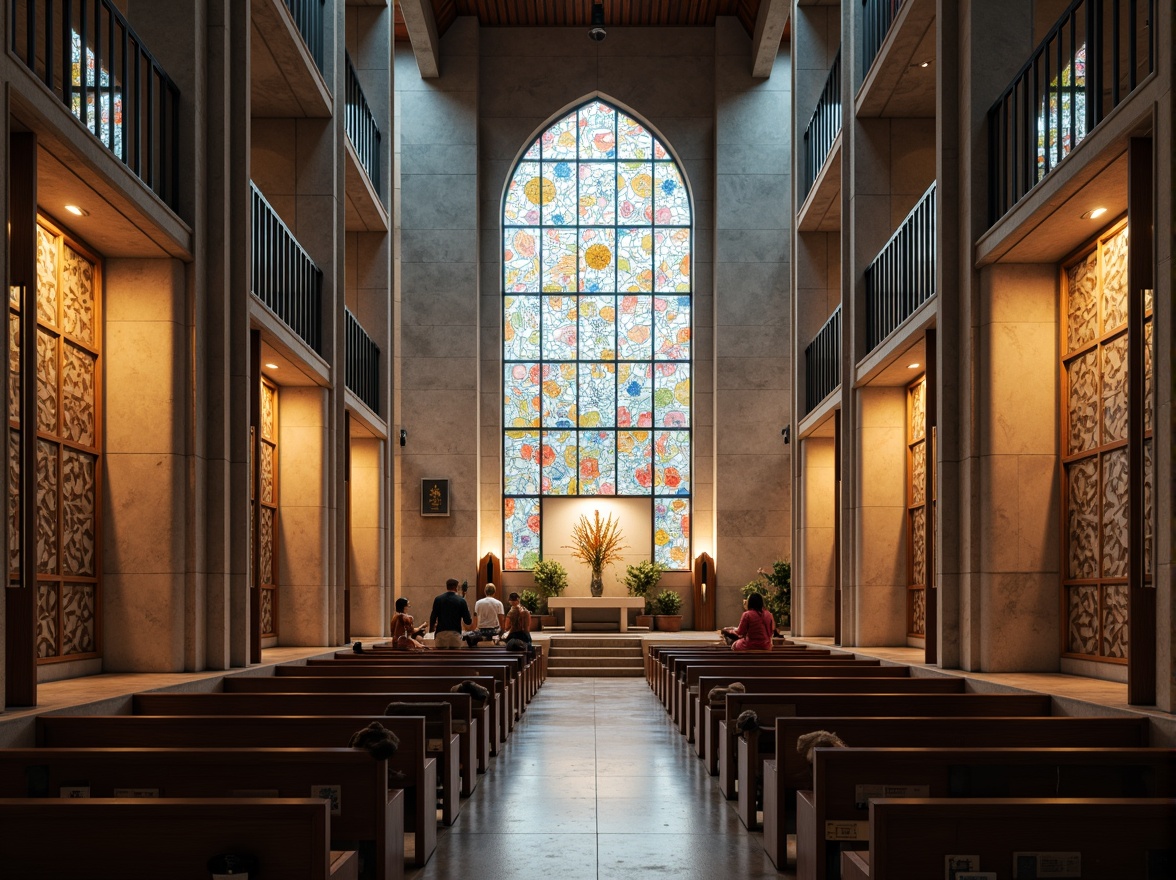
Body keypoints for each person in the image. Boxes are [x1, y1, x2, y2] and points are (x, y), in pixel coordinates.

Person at [430, 577, 472, 649]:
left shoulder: (438, 599)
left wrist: (431, 629)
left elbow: (433, 616)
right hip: (455, 634)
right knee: (455, 659)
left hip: (441, 633)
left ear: (447, 587)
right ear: (456, 588)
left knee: (440, 658)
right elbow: (467, 621)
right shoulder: (461, 601)